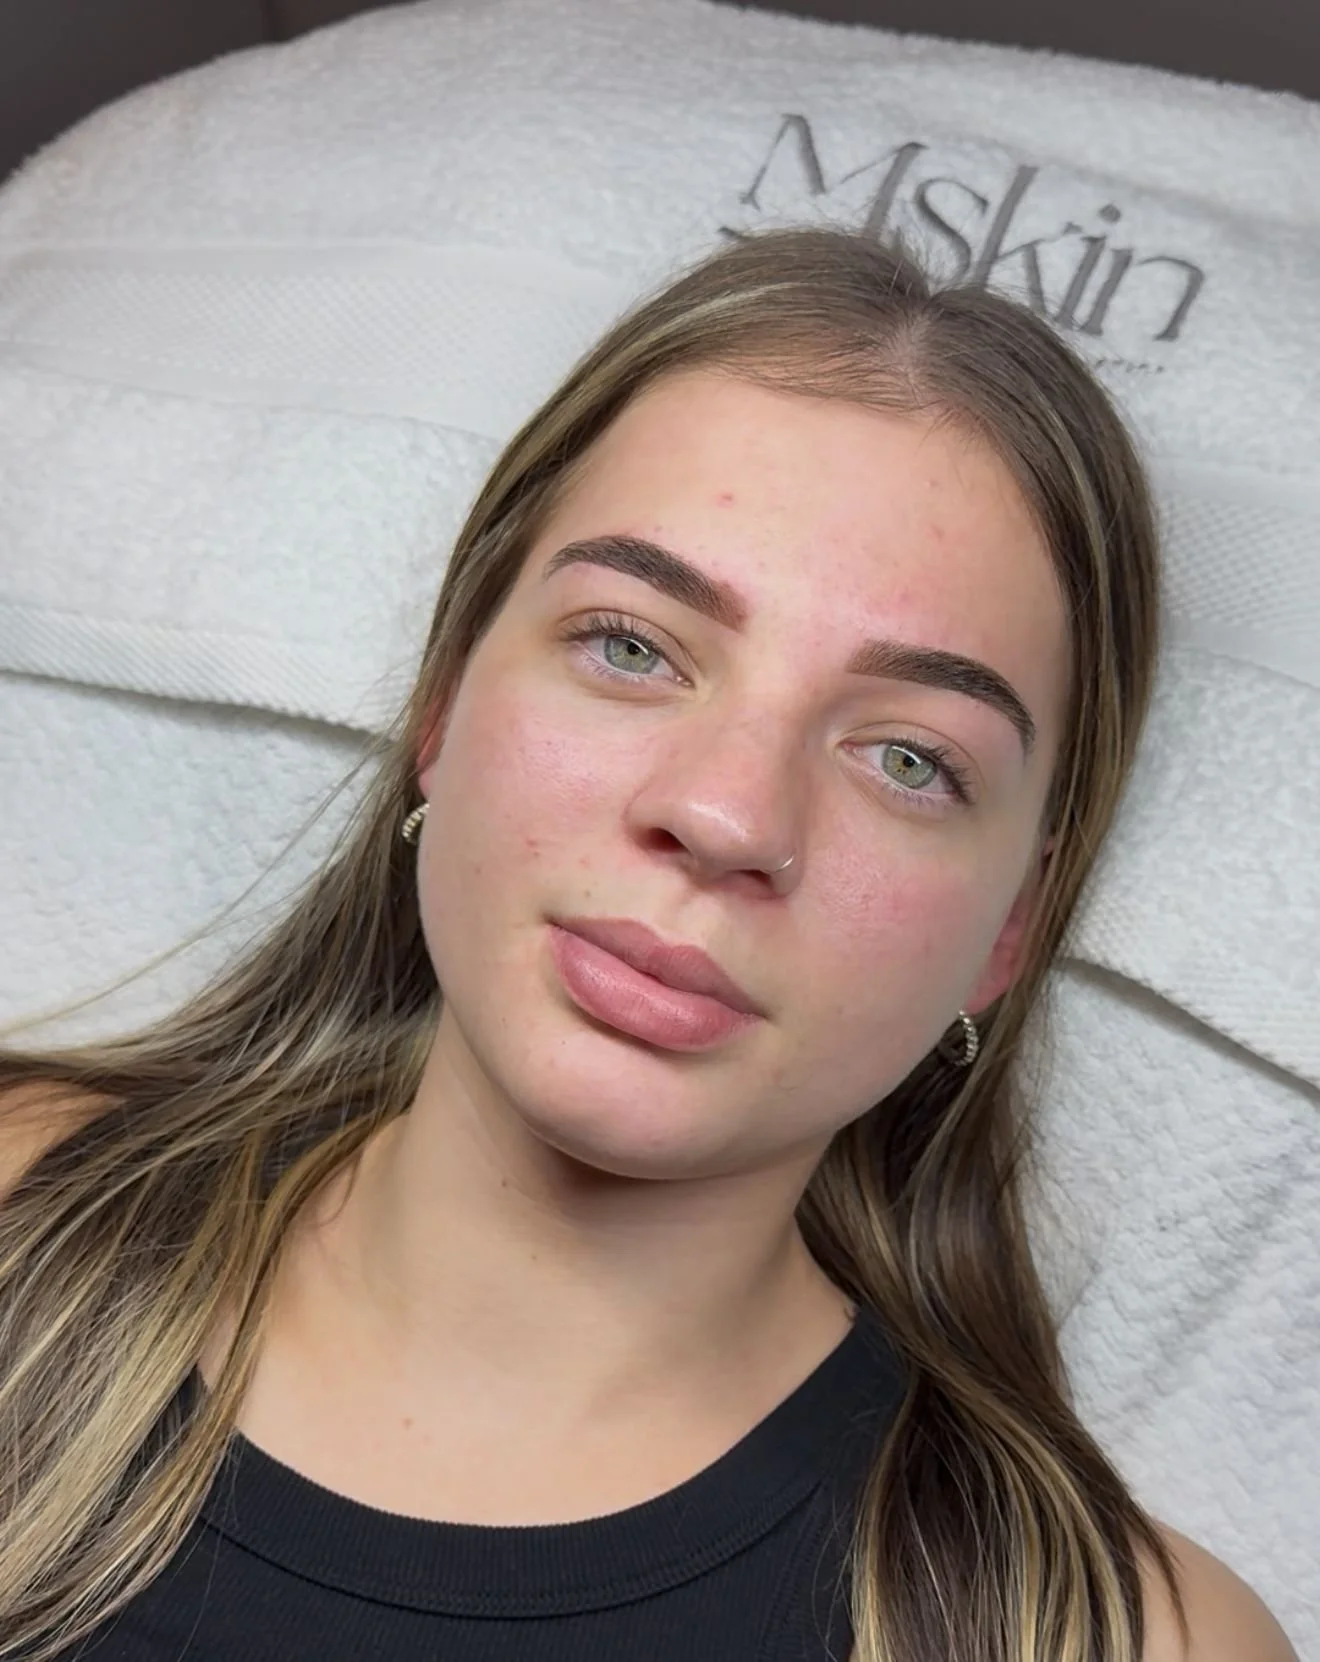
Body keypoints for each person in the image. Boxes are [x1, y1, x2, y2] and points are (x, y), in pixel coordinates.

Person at [0, 227, 1298, 1662]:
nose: (727, 810)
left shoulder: (1116, 1640)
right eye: (633, 645)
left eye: (910, 759)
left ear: (1008, 932)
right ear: (441, 710)